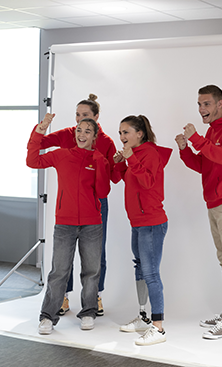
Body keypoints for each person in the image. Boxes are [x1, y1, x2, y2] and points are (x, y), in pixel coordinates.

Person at [175, 85, 222, 340]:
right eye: (199, 104)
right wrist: (186, 148)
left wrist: (197, 139)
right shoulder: (212, 130)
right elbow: (204, 165)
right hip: (214, 201)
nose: (201, 109)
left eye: (206, 104)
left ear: (219, 104)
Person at [27, 113, 110, 335]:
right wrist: (40, 131)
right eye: (79, 130)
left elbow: (102, 191)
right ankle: (47, 317)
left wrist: (101, 163)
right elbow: (32, 161)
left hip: (92, 223)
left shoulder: (98, 158)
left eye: (87, 131)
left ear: (94, 137)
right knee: (59, 271)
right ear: (75, 133)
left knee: (92, 271)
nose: (82, 134)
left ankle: (89, 312)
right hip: (64, 223)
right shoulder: (61, 155)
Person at [39, 94, 119, 317]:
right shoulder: (68, 134)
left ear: (96, 117)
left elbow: (113, 177)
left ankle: (94, 296)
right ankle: (63, 296)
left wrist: (119, 163)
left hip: (96, 202)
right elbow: (42, 145)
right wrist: (42, 128)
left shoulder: (106, 142)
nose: (79, 121)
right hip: (71, 204)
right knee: (65, 255)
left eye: (85, 116)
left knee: (96, 253)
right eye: (77, 115)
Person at [113, 115, 172, 346]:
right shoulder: (133, 156)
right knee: (140, 268)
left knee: (151, 274)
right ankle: (143, 317)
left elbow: (147, 182)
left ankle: (158, 327)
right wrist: (120, 161)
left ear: (140, 133)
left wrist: (131, 160)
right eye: (120, 133)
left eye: (126, 132)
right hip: (137, 223)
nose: (122, 137)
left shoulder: (150, 154)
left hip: (152, 222)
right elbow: (116, 179)